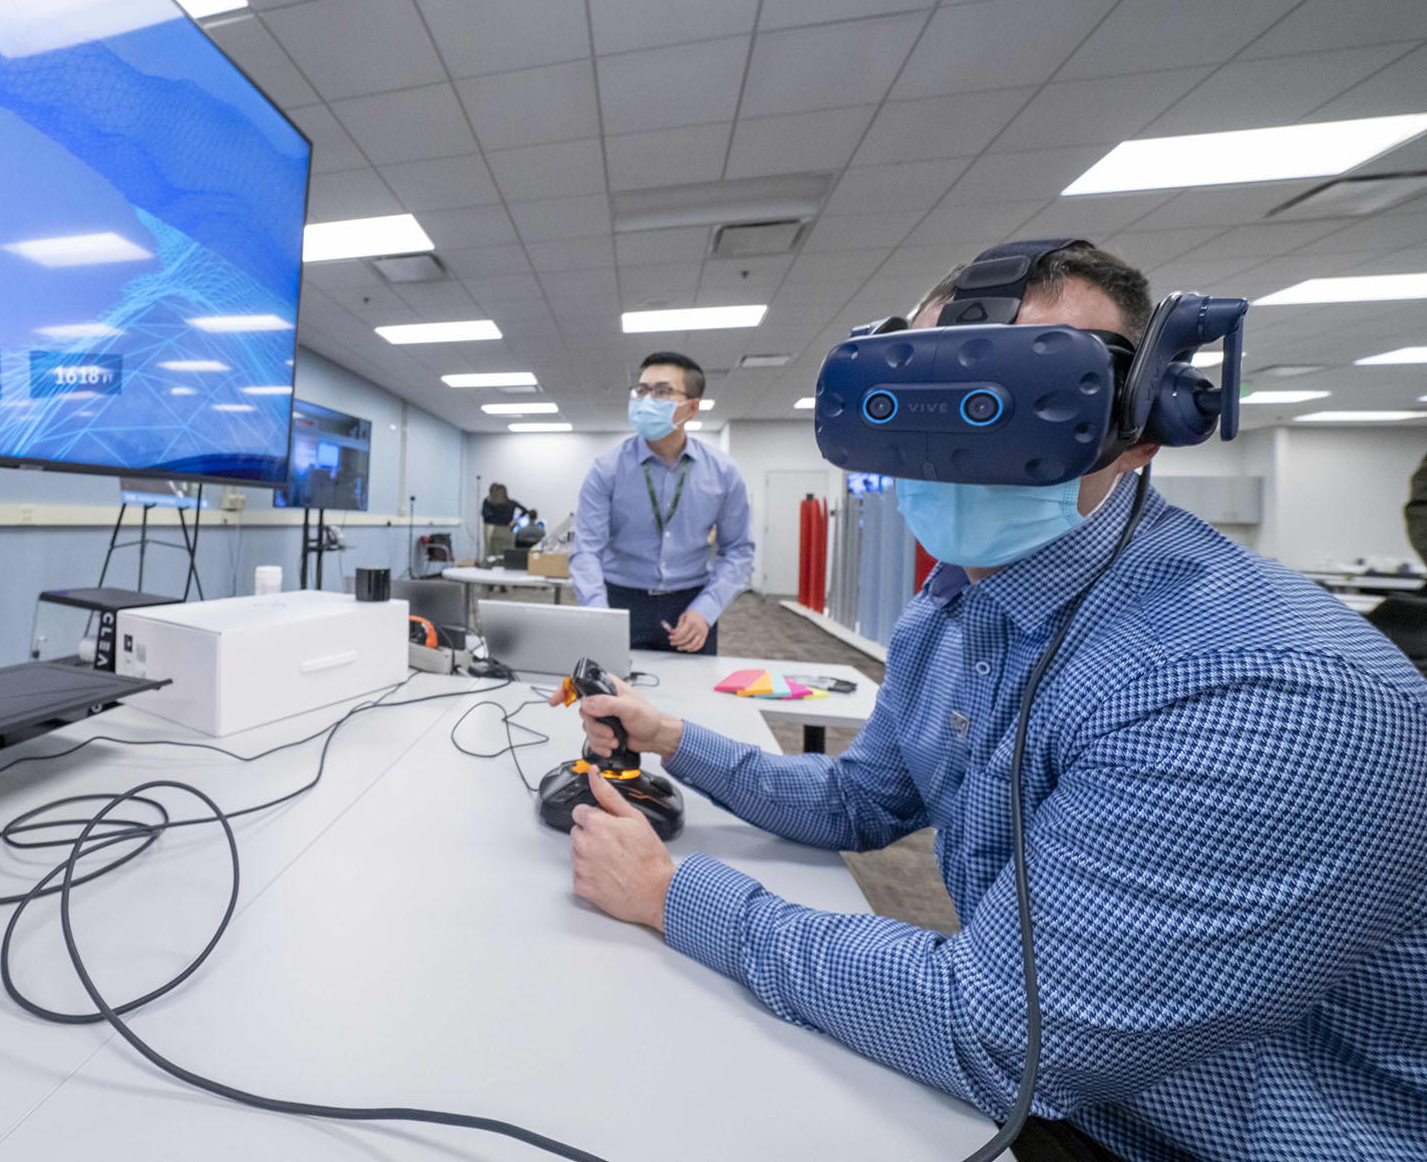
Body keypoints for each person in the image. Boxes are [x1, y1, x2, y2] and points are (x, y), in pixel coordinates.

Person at [554, 245, 1427, 1162]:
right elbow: (862, 800)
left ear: (1143, 420)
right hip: (1052, 1100)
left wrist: (673, 893)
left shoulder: (1261, 689)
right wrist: (675, 738)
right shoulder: (951, 606)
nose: (954, 445)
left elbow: (1001, 1031)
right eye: (921, 400)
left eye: (1019, 399)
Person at [568, 351, 754, 655]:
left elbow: (738, 550)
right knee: (612, 696)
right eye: (641, 390)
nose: (646, 400)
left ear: (691, 408)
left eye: (663, 391)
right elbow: (586, 549)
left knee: (691, 697)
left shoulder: (723, 472)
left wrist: (707, 609)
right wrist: (597, 612)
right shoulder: (607, 468)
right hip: (620, 600)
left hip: (690, 605)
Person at [480, 482, 529, 562]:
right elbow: (525, 511)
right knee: (508, 554)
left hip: (496, 530)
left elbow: (485, 515)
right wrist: (515, 520)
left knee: (493, 554)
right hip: (509, 531)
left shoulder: (490, 503)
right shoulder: (512, 503)